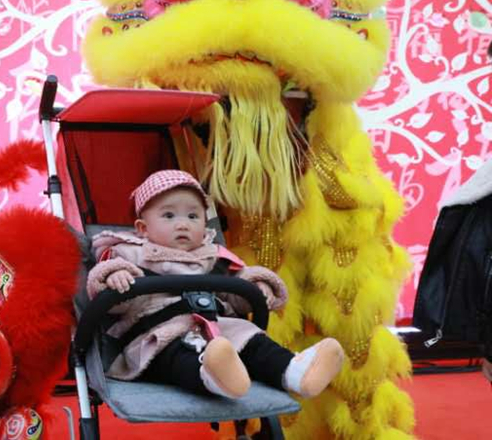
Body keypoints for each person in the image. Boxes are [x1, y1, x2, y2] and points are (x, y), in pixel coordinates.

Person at [87, 170, 345, 399]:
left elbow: (235, 289)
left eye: (193, 215)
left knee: (252, 340)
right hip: (160, 332)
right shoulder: (130, 253)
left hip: (219, 327)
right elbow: (112, 301)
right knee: (178, 356)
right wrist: (115, 278)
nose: (183, 224)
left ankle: (296, 372)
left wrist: (256, 287)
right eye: (169, 215)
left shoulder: (213, 256)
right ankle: (213, 375)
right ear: (143, 228)